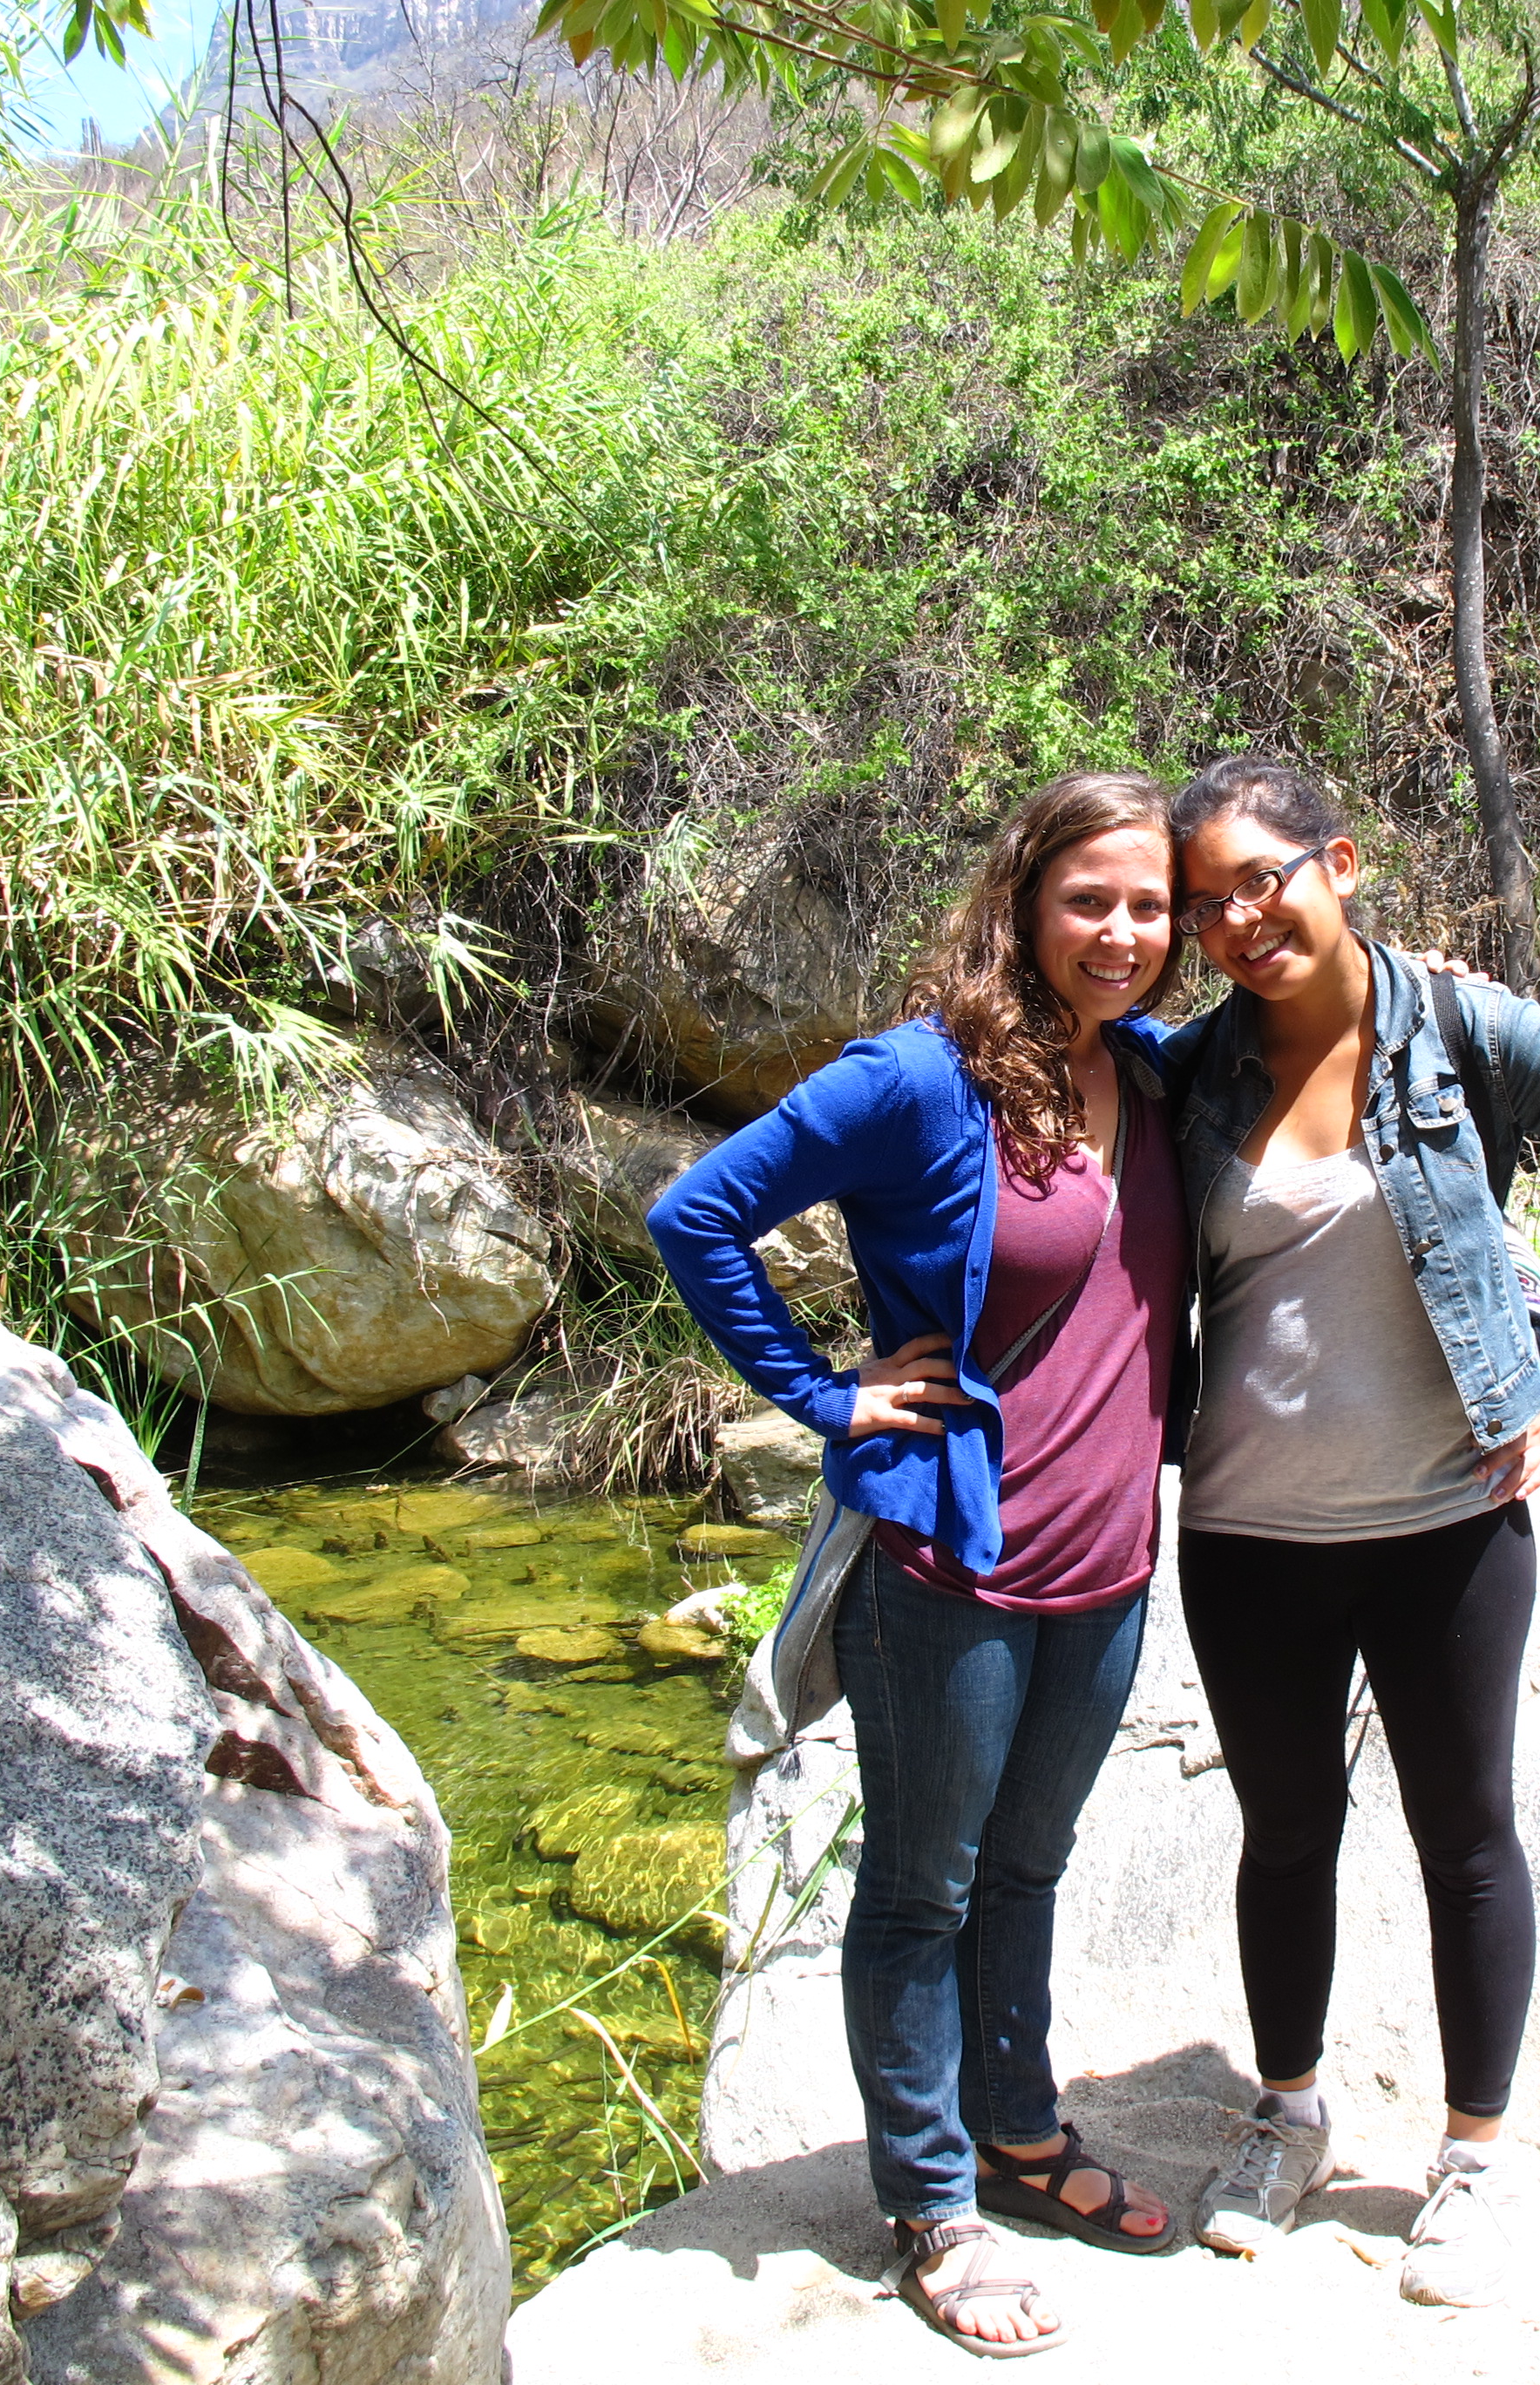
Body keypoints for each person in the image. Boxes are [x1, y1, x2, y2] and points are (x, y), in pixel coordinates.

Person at [1162, 754, 1540, 2307]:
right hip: (1250, 1531)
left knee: (1464, 1834)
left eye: (1262, 880)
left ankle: (1474, 2160)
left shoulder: (1464, 1030)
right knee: (1285, 1834)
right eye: (1205, 905)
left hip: (1445, 1524)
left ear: (1339, 864)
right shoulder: (1191, 1072)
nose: (1236, 922)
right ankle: (1288, 2119)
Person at [649, 772, 1188, 2358]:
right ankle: (933, 2206)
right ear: (1024, 898)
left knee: (1027, 1867)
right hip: (951, 1562)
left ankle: (1017, 2135)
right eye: (1090, 899)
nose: (1123, 932)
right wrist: (826, 1396)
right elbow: (698, 1216)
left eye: (1149, 906)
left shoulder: (1151, 1070)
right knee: (923, 1884)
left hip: (1106, 1562)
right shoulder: (916, 1079)